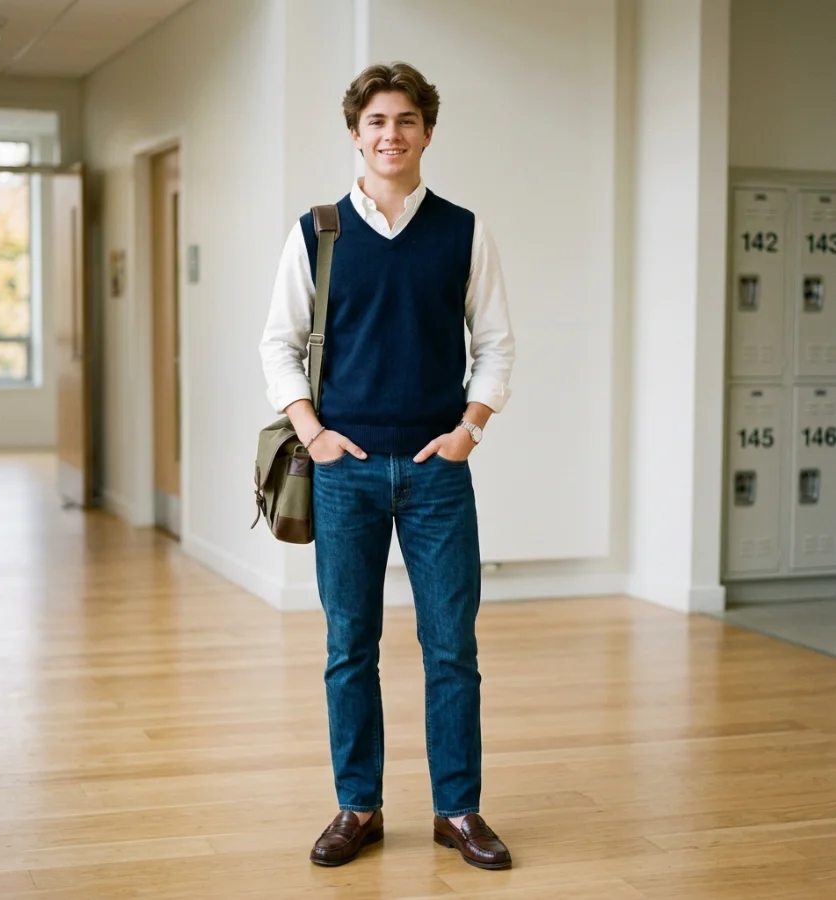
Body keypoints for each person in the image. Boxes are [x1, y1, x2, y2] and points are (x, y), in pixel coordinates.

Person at [259, 61, 515, 870]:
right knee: (349, 645)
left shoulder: (464, 230)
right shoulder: (318, 230)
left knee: (452, 648)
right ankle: (358, 806)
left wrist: (471, 427)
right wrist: (313, 430)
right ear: (355, 133)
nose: (390, 135)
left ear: (427, 133)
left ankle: (458, 811)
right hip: (345, 473)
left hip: (439, 470)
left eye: (406, 120)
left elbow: (496, 343)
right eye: (376, 121)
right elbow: (278, 342)